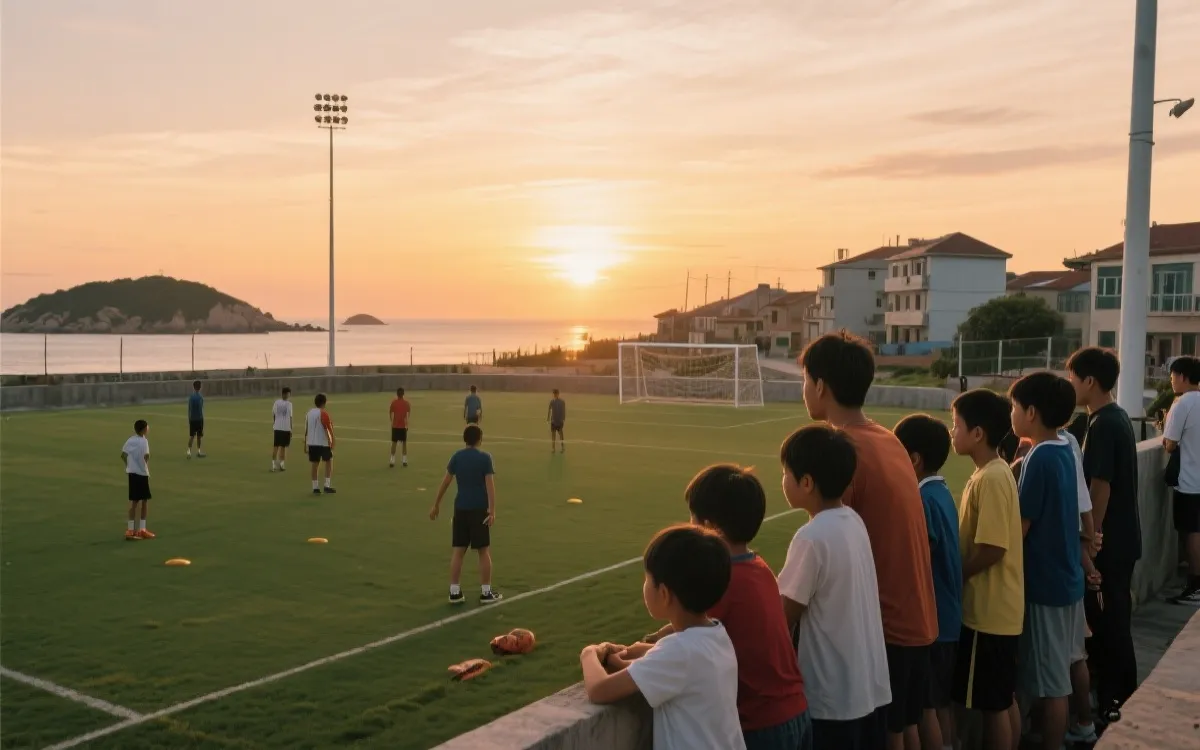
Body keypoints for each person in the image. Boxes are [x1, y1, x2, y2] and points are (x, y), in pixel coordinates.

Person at [797, 333, 938, 750]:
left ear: (821, 385)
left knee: (888, 730)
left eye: (806, 379)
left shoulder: (844, 451)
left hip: (887, 623)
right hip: (916, 615)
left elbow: (827, 545)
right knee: (905, 723)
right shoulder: (885, 437)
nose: (804, 389)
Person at [623, 465, 811, 749]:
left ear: (710, 528)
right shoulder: (757, 567)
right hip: (794, 709)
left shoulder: (725, 580)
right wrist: (648, 645)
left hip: (761, 722)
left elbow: (684, 650)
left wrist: (635, 649)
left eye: (692, 519)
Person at [580, 525, 745, 750]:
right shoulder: (716, 635)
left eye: (648, 579)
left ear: (665, 594)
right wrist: (621, 661)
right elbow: (672, 672)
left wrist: (589, 654)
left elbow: (600, 690)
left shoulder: (679, 651)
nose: (645, 585)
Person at [776, 424, 890, 750]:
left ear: (807, 482)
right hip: (867, 686)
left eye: (786, 473)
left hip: (832, 697)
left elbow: (784, 617)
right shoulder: (852, 520)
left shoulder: (811, 538)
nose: (782, 480)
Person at [1009, 372, 1086, 750]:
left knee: (1053, 684)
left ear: (1032, 412)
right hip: (1068, 579)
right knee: (1060, 671)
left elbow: (1020, 528)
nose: (1012, 414)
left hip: (1046, 587)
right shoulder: (1064, 449)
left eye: (1015, 407)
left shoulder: (1038, 457)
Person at [1066, 347, 1141, 717]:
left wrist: (1088, 540)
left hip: (1110, 543)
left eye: (1073, 378)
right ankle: (1120, 692)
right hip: (1124, 539)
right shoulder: (1117, 417)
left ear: (1090, 381)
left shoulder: (1102, 424)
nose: (1070, 385)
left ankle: (1115, 698)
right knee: (1115, 618)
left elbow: (1100, 487)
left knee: (1109, 622)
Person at [950, 389, 1024, 750]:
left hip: (988, 613)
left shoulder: (992, 478)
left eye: (956, 426)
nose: (952, 433)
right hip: (998, 612)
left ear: (977, 433)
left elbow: (993, 547)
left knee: (992, 704)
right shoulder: (989, 473)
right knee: (1001, 697)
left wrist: (958, 574)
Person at [893, 414, 962, 750]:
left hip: (932, 621)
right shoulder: (942, 491)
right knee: (939, 703)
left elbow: (918, 554)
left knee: (925, 709)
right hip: (947, 618)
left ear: (914, 459)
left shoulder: (922, 500)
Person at [429, 425, 501, 604]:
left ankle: (454, 592)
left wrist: (436, 504)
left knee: (458, 551)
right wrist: (492, 510)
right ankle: (485, 592)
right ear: (479, 439)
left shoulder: (457, 457)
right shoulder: (485, 458)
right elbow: (490, 486)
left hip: (460, 508)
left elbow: (445, 482)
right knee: (483, 551)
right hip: (479, 510)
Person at [1164, 355, 1200, 606]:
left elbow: (1169, 444)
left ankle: (1195, 586)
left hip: (1190, 481)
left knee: (1191, 533)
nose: (1171, 380)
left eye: (1173, 375)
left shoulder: (1183, 403)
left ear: (1183, 377)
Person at [122, 419, 155, 540]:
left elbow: (123, 455)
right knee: (144, 501)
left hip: (132, 473)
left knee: (134, 502)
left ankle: (130, 530)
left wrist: (128, 465)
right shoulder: (144, 441)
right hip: (142, 474)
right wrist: (144, 465)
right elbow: (146, 456)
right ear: (143, 429)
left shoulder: (130, 440)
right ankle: (142, 529)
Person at [303, 393, 336, 495]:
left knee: (315, 464)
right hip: (322, 442)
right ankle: (326, 485)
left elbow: (306, 429)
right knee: (329, 462)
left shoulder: (309, 413)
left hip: (312, 442)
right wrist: (332, 441)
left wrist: (305, 443)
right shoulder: (323, 413)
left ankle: (315, 487)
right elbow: (328, 429)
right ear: (324, 403)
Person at [389, 387, 412, 468]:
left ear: (397, 394)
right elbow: (408, 415)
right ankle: (404, 460)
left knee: (394, 443)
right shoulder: (406, 403)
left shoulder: (393, 403)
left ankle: (392, 460)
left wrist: (392, 422)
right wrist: (407, 424)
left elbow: (391, 413)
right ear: (403, 394)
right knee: (404, 443)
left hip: (395, 426)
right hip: (403, 426)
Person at [271, 387, 293, 472]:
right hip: (282, 428)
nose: (288, 395)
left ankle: (281, 464)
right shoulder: (285, 404)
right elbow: (290, 417)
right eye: (287, 394)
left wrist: (290, 429)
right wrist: (290, 428)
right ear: (283, 394)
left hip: (284, 428)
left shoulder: (282, 403)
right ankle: (274, 464)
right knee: (276, 446)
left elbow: (274, 415)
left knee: (282, 447)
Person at [187, 380, 206, 458]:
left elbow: (189, 409)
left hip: (192, 419)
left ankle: (188, 451)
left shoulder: (191, 397)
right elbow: (201, 408)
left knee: (192, 436)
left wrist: (189, 419)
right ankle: (198, 451)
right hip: (199, 419)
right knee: (199, 436)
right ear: (200, 387)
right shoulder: (200, 397)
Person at [548, 389, 567, 453]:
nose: (555, 394)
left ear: (558, 394)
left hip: (559, 421)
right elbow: (549, 409)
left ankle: (562, 447)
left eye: (556, 393)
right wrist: (548, 417)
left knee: (561, 434)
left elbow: (563, 411)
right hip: (553, 421)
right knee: (553, 434)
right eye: (554, 393)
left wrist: (563, 419)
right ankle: (553, 448)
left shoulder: (562, 402)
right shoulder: (552, 401)